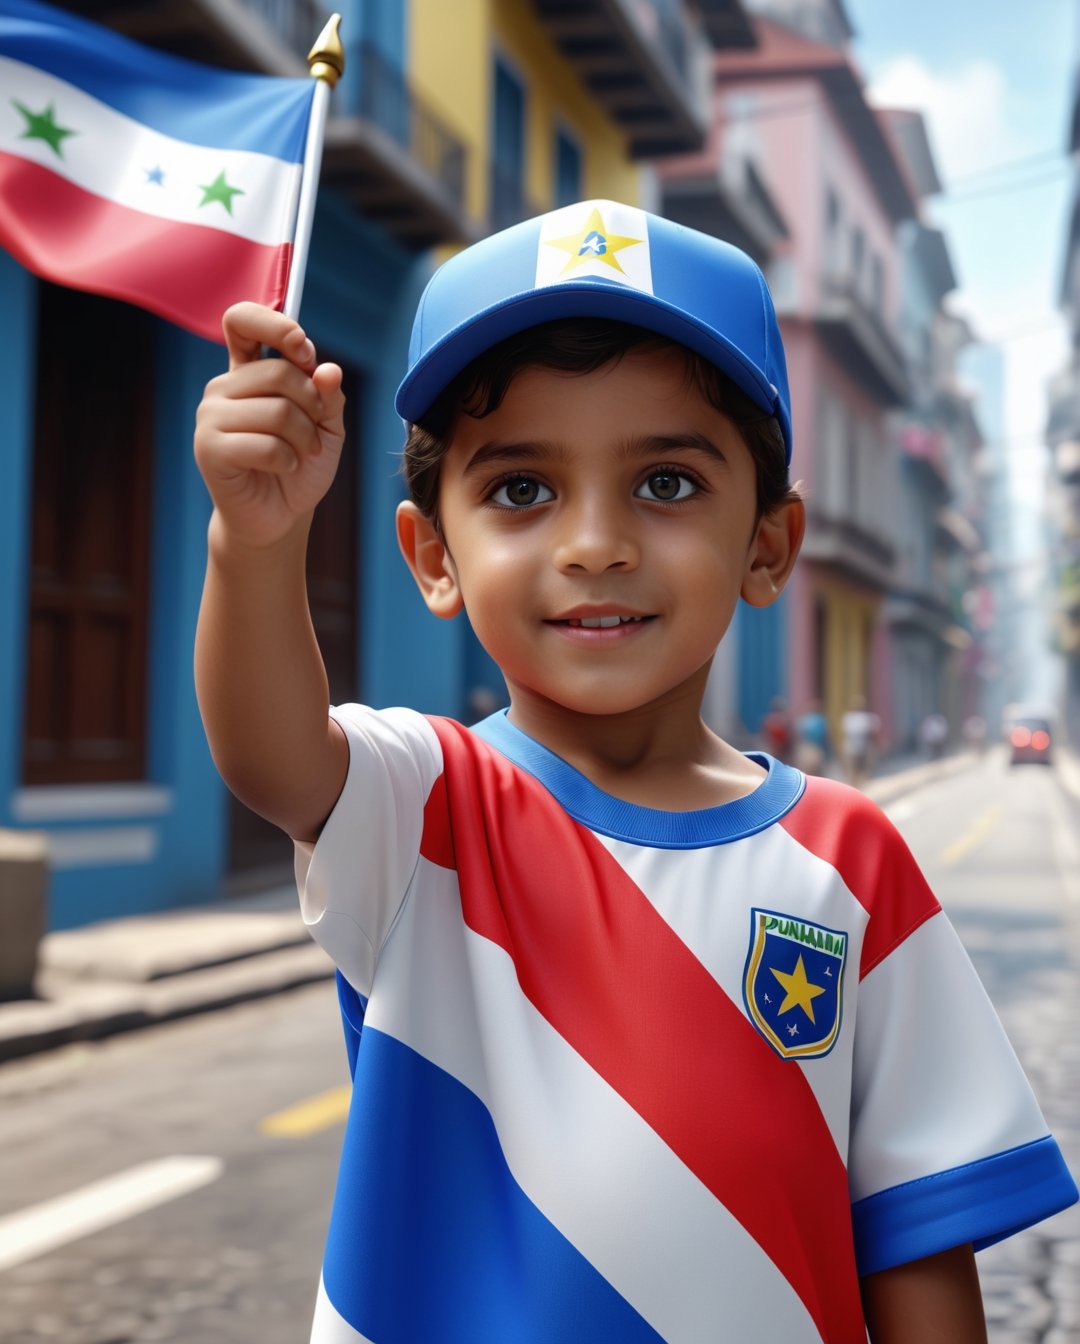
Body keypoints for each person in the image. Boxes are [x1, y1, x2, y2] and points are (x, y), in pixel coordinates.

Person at [193, 199, 1077, 1343]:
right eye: (521, 490)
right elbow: (271, 753)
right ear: (433, 556)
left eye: (665, 483)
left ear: (767, 544)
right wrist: (253, 544)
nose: (595, 542)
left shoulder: (851, 858)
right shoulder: (423, 807)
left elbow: (914, 1225)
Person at [841, 693, 881, 788]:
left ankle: (857, 787)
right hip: (855, 748)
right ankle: (856, 787)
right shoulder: (851, 718)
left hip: (859, 748)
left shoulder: (863, 718)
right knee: (855, 770)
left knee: (859, 771)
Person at [795, 698, 831, 776]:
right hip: (817, 748)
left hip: (807, 749)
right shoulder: (821, 720)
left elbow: (800, 736)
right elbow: (825, 736)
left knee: (807, 772)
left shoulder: (804, 720)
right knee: (818, 772)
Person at [760, 695, 795, 763]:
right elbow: (791, 736)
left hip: (775, 748)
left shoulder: (769, 719)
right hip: (781, 750)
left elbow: (765, 735)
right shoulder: (785, 720)